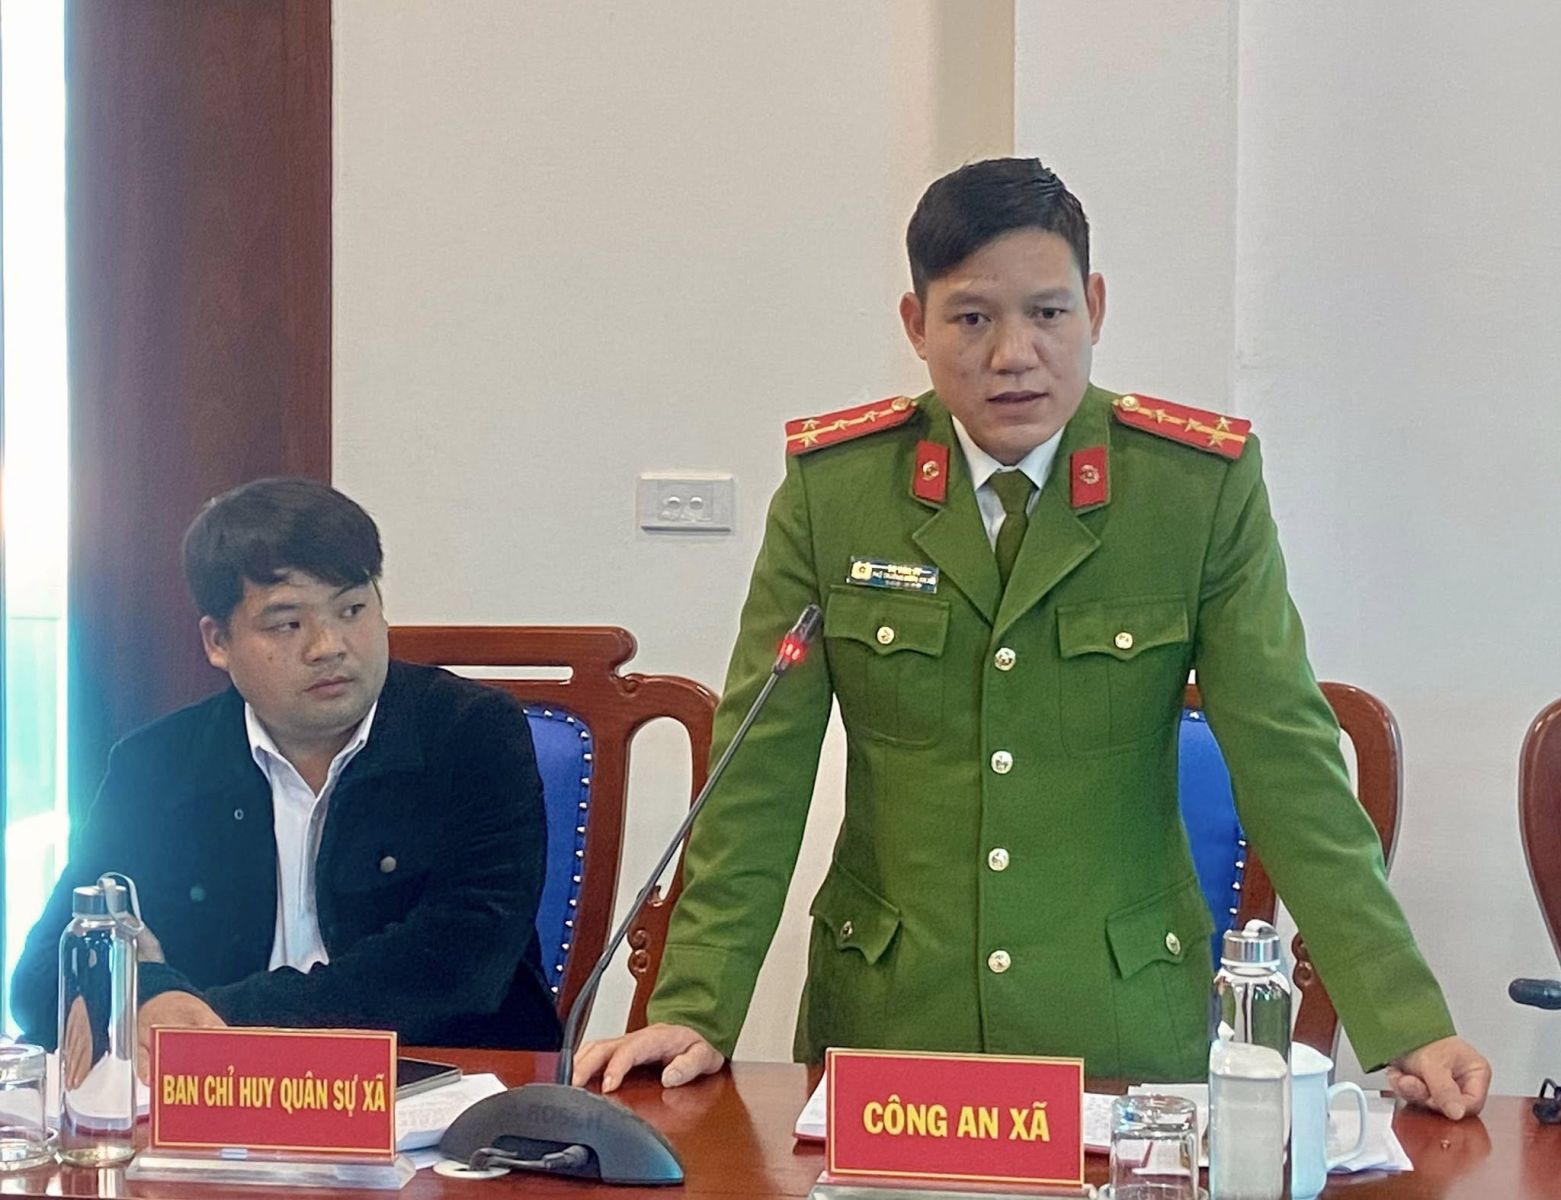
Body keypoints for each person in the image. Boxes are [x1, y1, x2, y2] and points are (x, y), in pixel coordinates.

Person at [575, 158, 1490, 1118]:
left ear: (1093, 307)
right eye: (971, 318)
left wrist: (1404, 1017)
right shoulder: (836, 491)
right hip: (891, 1025)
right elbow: (757, 770)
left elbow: (1287, 761)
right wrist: (693, 1004)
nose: (1014, 353)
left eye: (1047, 313)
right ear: (915, 325)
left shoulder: (1191, 491)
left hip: (1120, 1028)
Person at [12, 477, 561, 1079]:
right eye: (287, 624)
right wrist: (153, 993)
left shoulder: (473, 732)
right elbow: (41, 979)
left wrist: (209, 1017)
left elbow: (460, 965)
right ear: (218, 642)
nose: (329, 646)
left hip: (437, 1085)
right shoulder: (155, 764)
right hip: (217, 1101)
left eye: (352, 609)